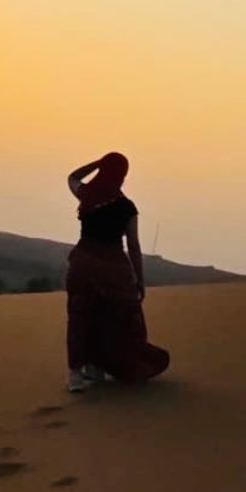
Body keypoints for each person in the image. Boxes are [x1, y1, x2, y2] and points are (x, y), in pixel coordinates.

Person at [64, 152, 170, 393]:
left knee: (80, 316)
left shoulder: (87, 194)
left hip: (82, 263)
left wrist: (97, 163)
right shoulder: (126, 207)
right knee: (115, 317)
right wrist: (139, 278)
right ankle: (104, 365)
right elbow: (133, 245)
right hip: (114, 269)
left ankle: (76, 374)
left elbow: (73, 177)